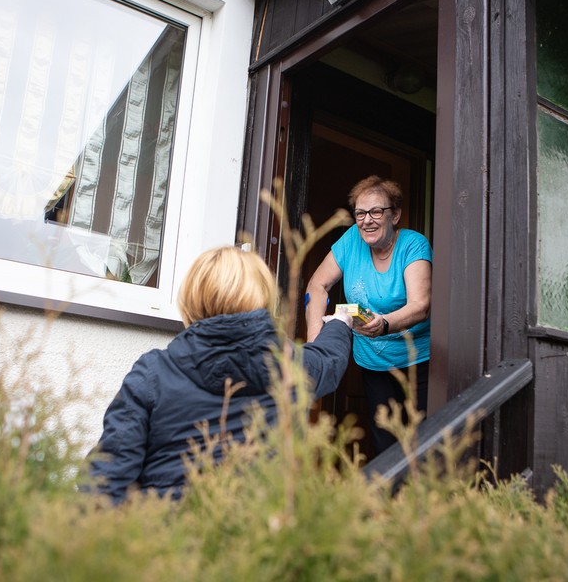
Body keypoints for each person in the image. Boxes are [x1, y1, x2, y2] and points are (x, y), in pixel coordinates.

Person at [82, 245, 353, 504]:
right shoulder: (290, 366)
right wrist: (340, 324)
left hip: (167, 531)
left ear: (192, 298)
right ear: (263, 299)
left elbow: (105, 484)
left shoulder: (154, 372)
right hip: (258, 532)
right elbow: (328, 360)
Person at [305, 175, 432, 456]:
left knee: (423, 446)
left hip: (417, 364)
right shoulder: (351, 240)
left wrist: (384, 324)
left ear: (394, 215)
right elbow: (317, 285)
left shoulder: (413, 244)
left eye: (376, 211)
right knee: (385, 445)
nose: (366, 220)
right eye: (360, 213)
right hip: (373, 364)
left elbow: (421, 305)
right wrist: (315, 345)